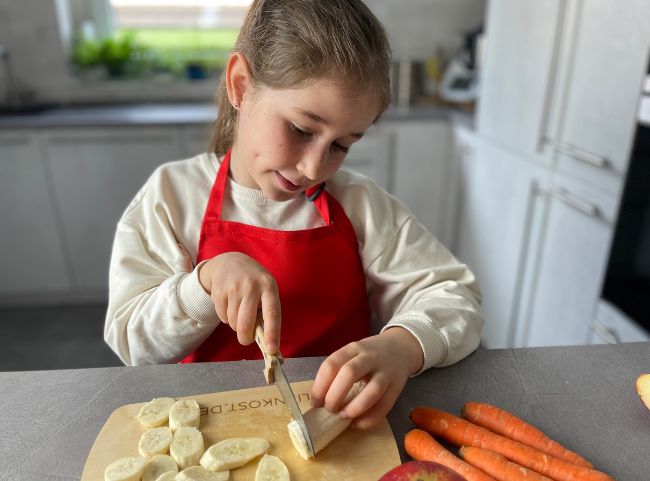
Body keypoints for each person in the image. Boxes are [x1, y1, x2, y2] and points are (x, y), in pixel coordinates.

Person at [104, 0, 482, 430]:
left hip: (335, 431)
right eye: (301, 130)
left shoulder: (359, 204)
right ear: (241, 86)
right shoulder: (172, 196)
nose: (313, 168)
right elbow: (131, 341)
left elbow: (456, 296)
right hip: (207, 432)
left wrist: (403, 345)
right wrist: (202, 284)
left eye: (341, 145)